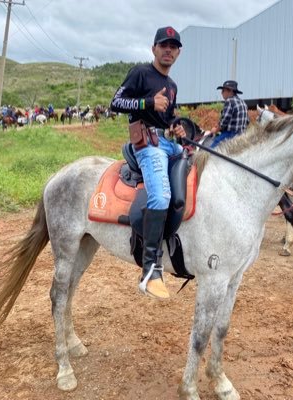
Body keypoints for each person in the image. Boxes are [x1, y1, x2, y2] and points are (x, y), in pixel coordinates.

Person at [110, 26, 186, 300]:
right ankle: (151, 268)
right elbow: (115, 103)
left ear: (178, 52)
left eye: (173, 46)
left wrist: (176, 128)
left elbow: (166, 120)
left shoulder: (173, 85)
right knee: (161, 194)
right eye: (163, 45)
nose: (168, 49)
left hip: (165, 143)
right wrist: (147, 103)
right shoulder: (141, 73)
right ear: (154, 48)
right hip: (146, 145)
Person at [210, 80, 249, 148]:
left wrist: (215, 130)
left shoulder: (229, 101)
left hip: (231, 134)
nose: (221, 93)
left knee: (210, 150)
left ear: (230, 91)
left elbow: (225, 121)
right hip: (242, 134)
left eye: (223, 91)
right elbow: (247, 121)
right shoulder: (243, 102)